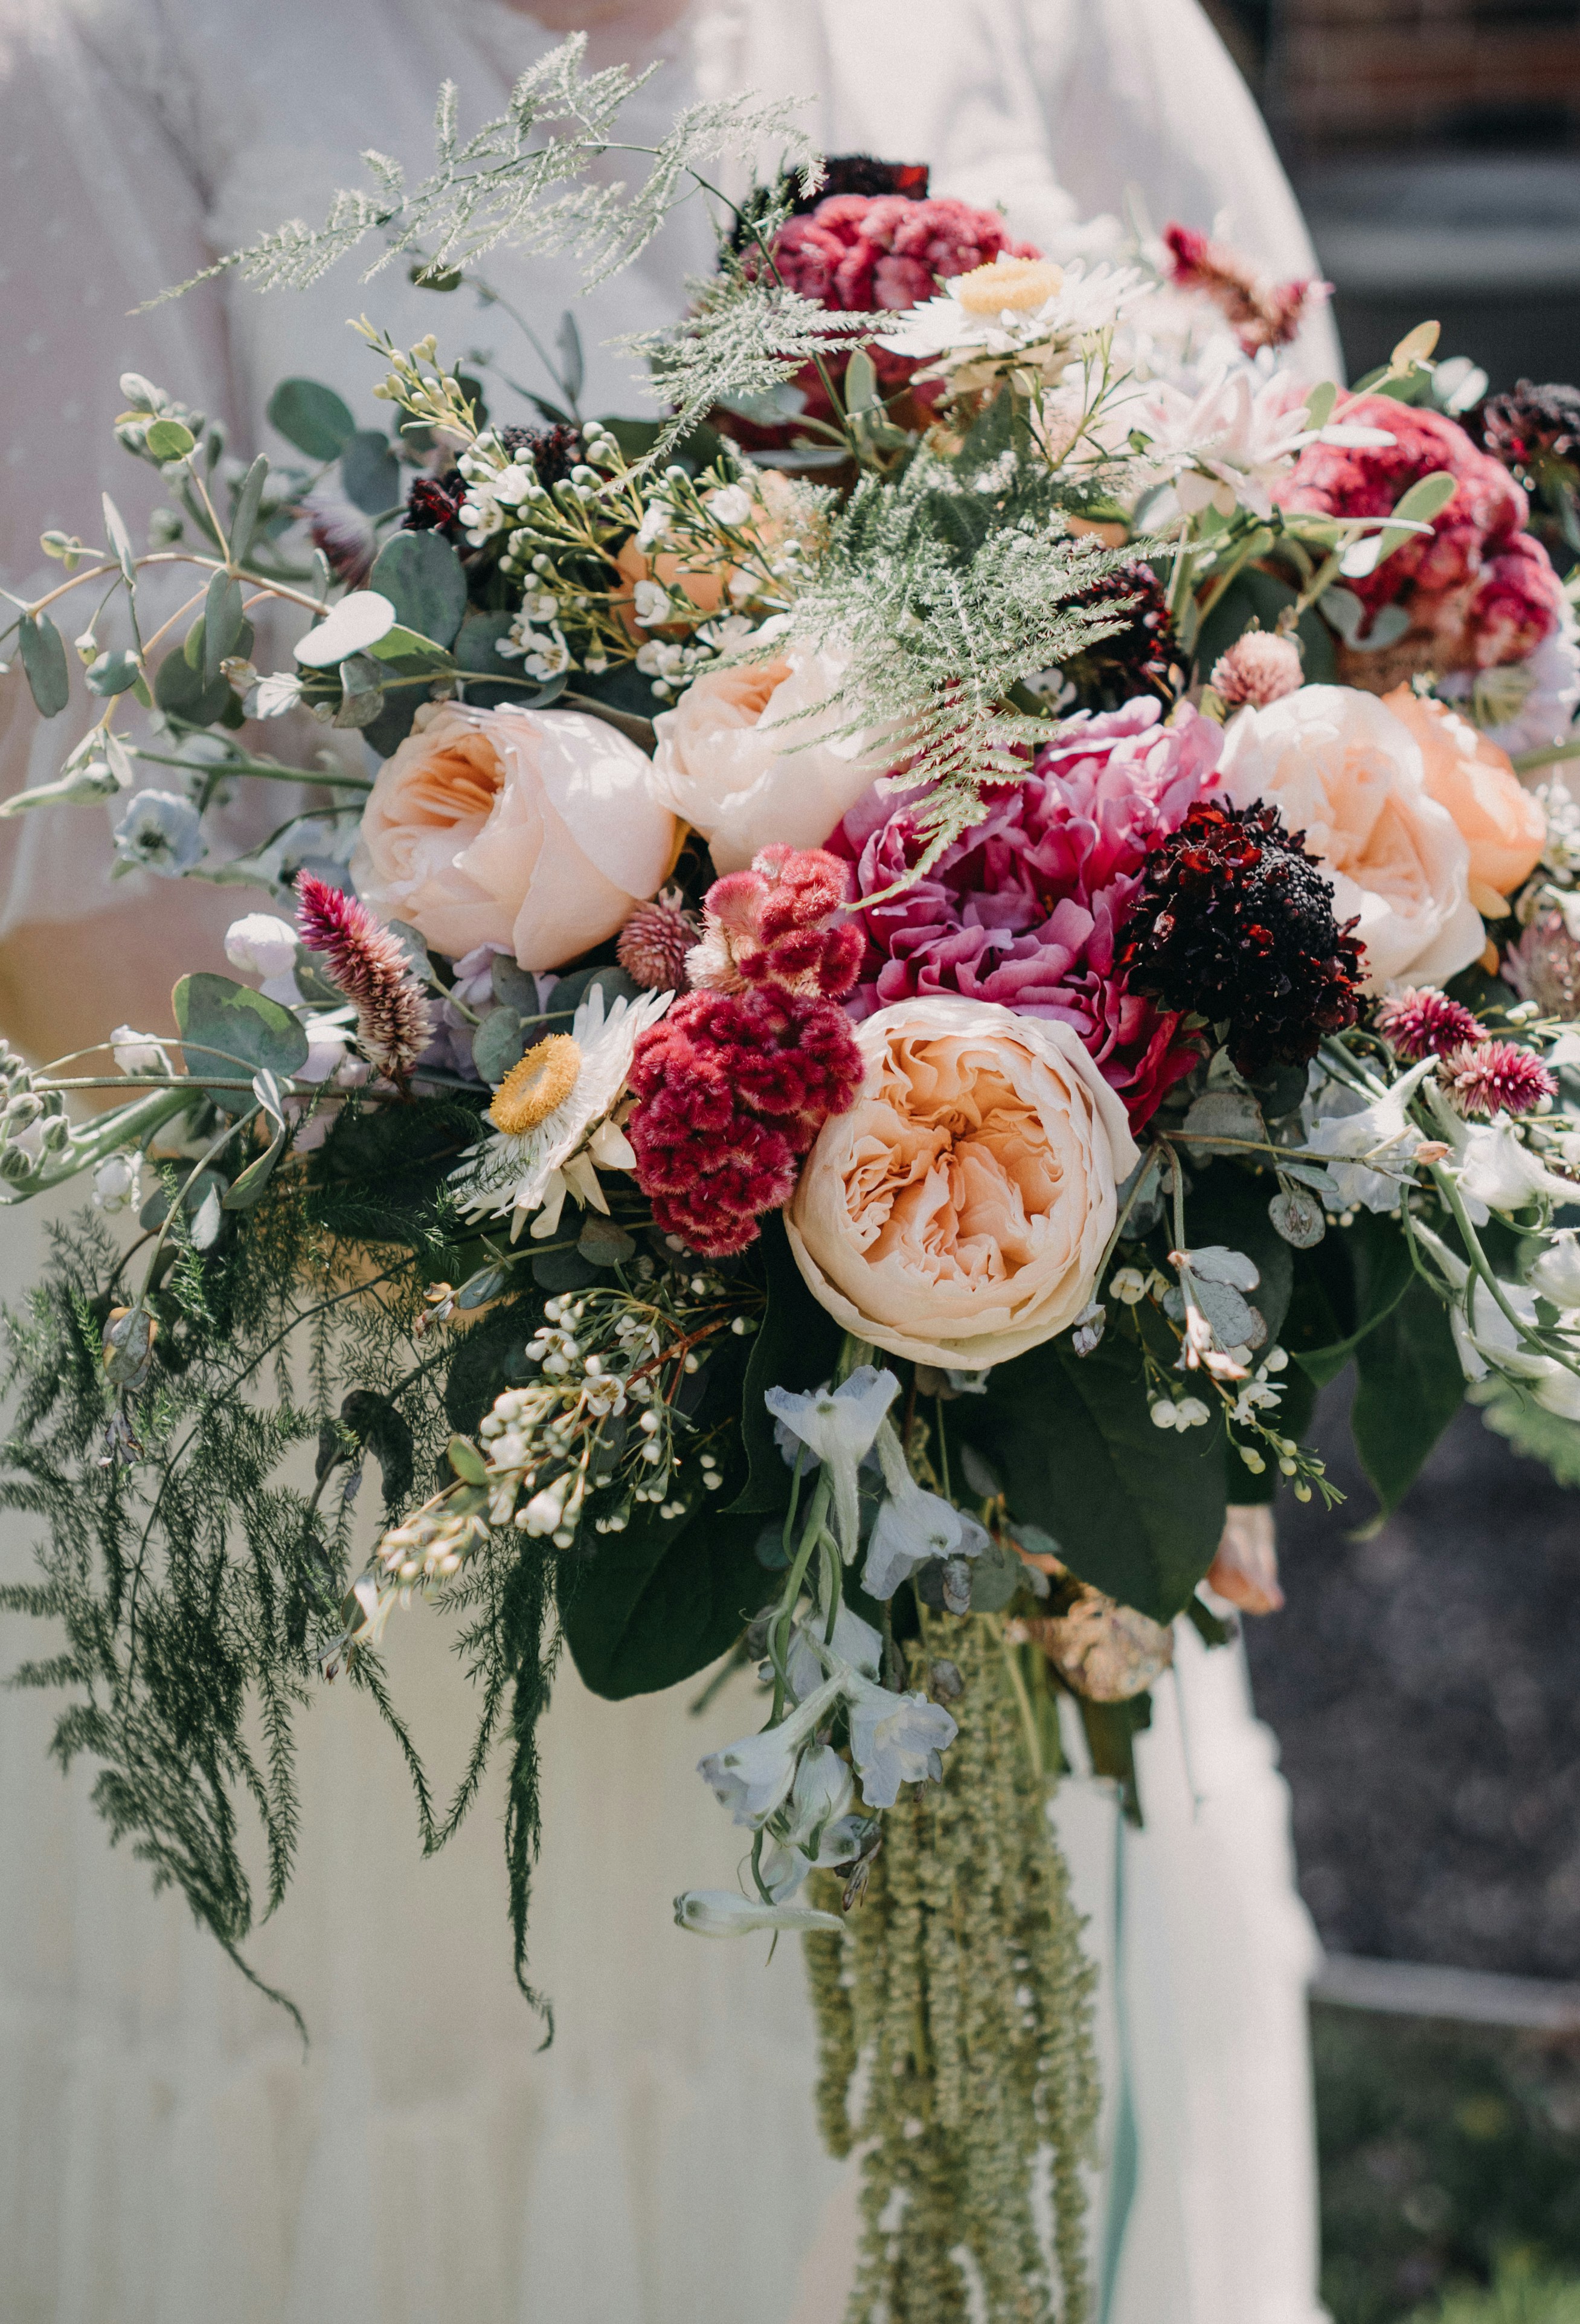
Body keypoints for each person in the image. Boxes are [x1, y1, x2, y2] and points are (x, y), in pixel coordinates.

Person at [0, 6, 1334, 2319]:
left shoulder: (1082, 29)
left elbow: (1313, 645)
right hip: (400, 1546)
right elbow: (66, 939)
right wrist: (654, 1159)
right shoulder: (105, 75)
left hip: (1017, 1452)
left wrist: (1080, 1160)